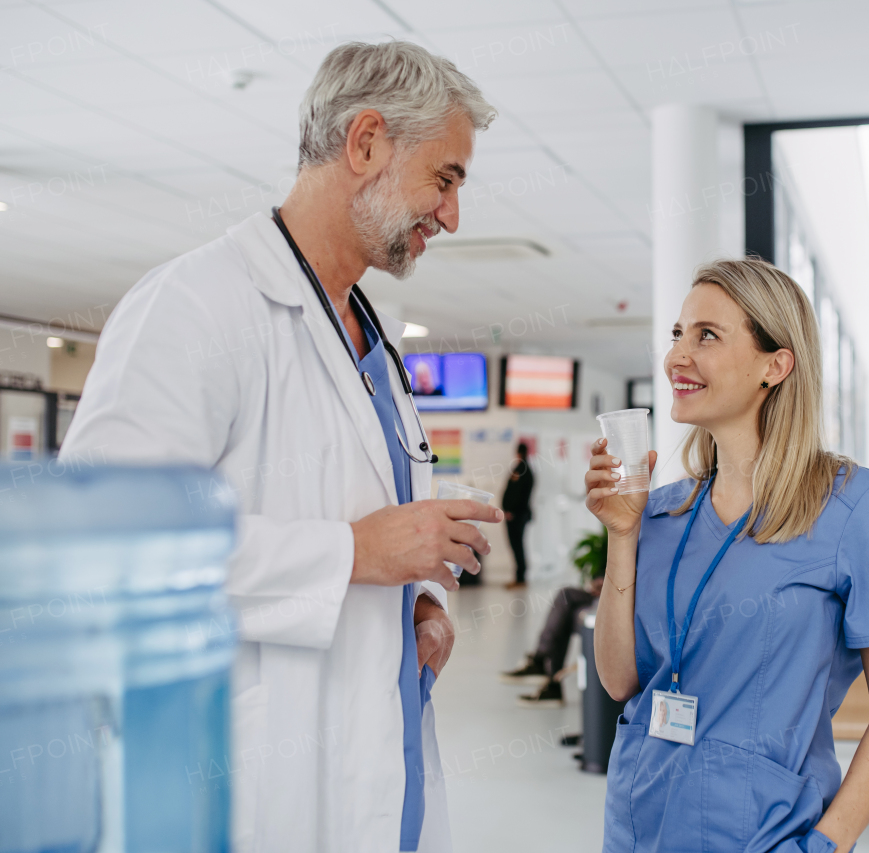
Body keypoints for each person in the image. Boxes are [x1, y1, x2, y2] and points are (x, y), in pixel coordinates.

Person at [59, 42, 501, 853]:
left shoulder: (373, 340)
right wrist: (354, 554)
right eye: (445, 178)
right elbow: (101, 547)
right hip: (259, 796)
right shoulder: (196, 307)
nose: (452, 215)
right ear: (365, 142)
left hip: (380, 777)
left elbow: (367, 525)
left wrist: (421, 602)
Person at [586, 259, 869, 853]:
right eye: (677, 335)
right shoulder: (657, 514)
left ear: (777, 364)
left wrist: (824, 845)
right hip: (642, 823)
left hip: (766, 834)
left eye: (706, 336)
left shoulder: (858, 507)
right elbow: (619, 680)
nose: (675, 358)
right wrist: (621, 533)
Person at [501, 576, 605, 706]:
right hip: (604, 596)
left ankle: (545, 671)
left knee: (566, 599)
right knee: (567, 609)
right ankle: (547, 675)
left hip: (615, 598)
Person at [502, 442, 535, 589]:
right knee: (517, 546)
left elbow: (518, 494)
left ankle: (520, 578)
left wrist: (511, 511)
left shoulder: (522, 470)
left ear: (518, 453)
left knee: (517, 546)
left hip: (516, 516)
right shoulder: (524, 469)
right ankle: (520, 577)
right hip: (517, 515)